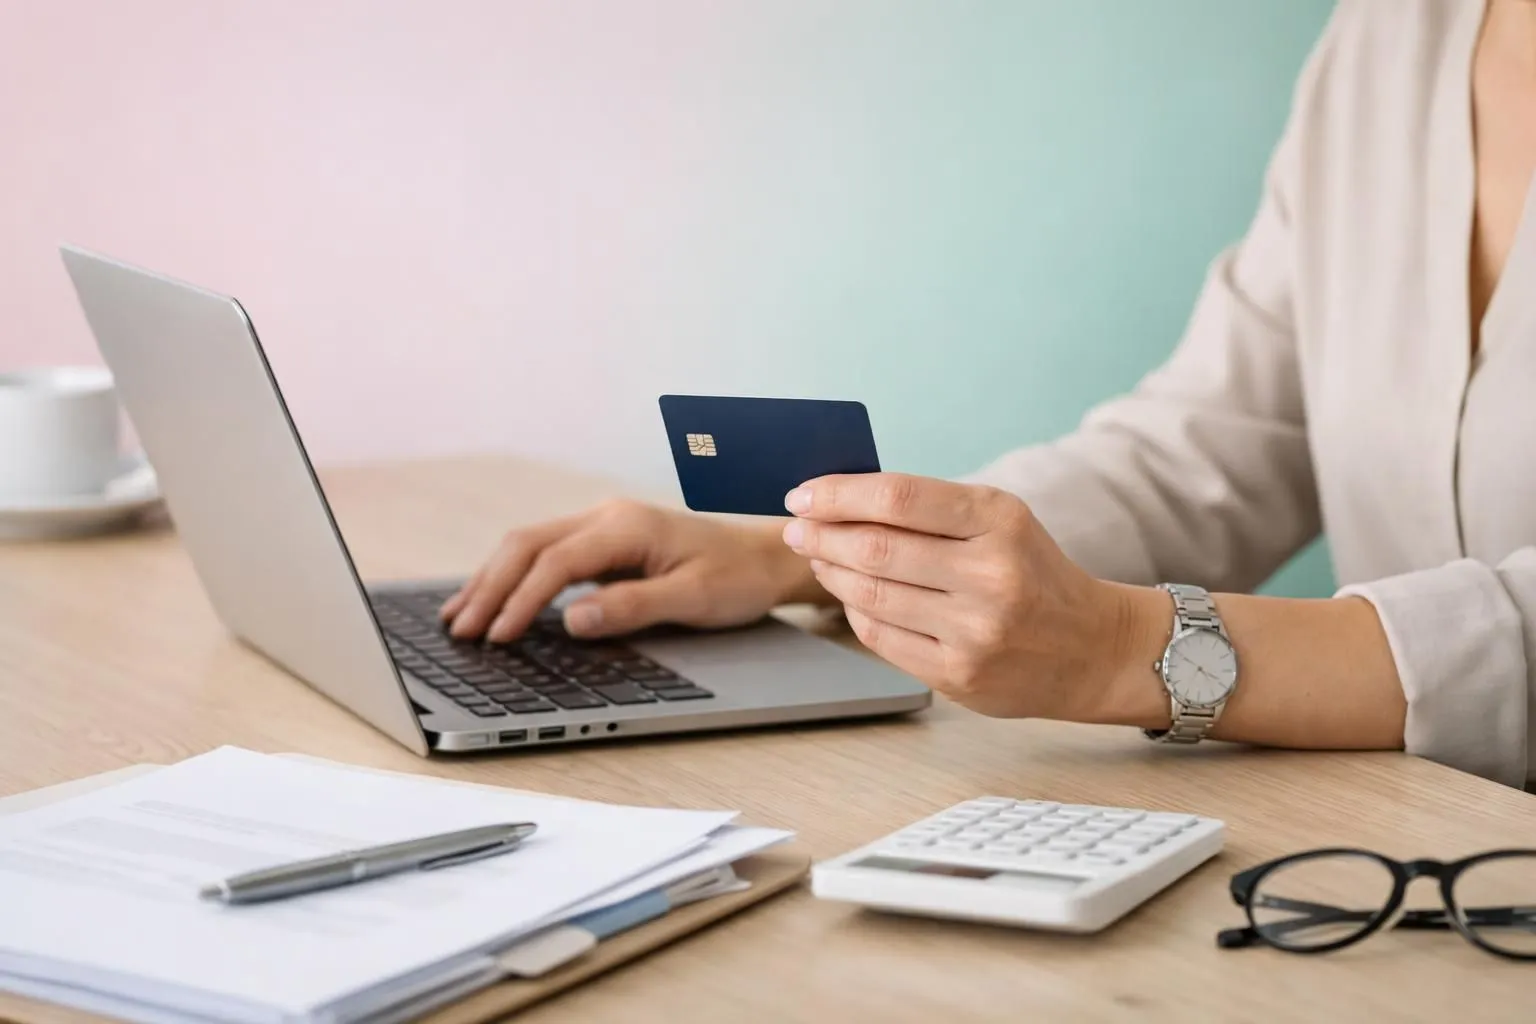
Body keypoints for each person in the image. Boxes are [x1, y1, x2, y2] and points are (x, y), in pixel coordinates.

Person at [442, 0, 1536, 789]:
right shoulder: (1388, 35)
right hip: (1424, 835)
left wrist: (1128, 649)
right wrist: (802, 558)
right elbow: (1219, 439)